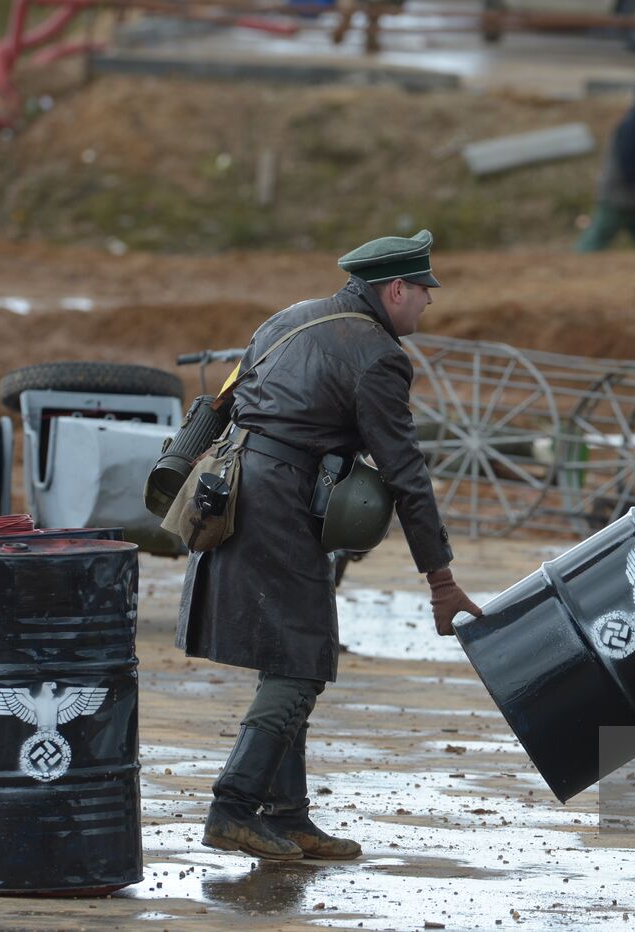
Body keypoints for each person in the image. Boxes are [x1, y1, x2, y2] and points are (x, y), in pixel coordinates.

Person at [177, 229, 483, 861]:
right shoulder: (377, 355)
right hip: (278, 505)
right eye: (424, 291)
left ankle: (288, 817)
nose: (428, 303)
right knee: (303, 664)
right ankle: (232, 809)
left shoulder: (286, 319)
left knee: (288, 657)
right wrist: (442, 581)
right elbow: (406, 475)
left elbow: (228, 401)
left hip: (232, 487)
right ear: (395, 289)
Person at [576, 84, 635, 253]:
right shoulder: (633, 127)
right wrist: (631, 185)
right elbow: (627, 162)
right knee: (592, 243)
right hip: (620, 199)